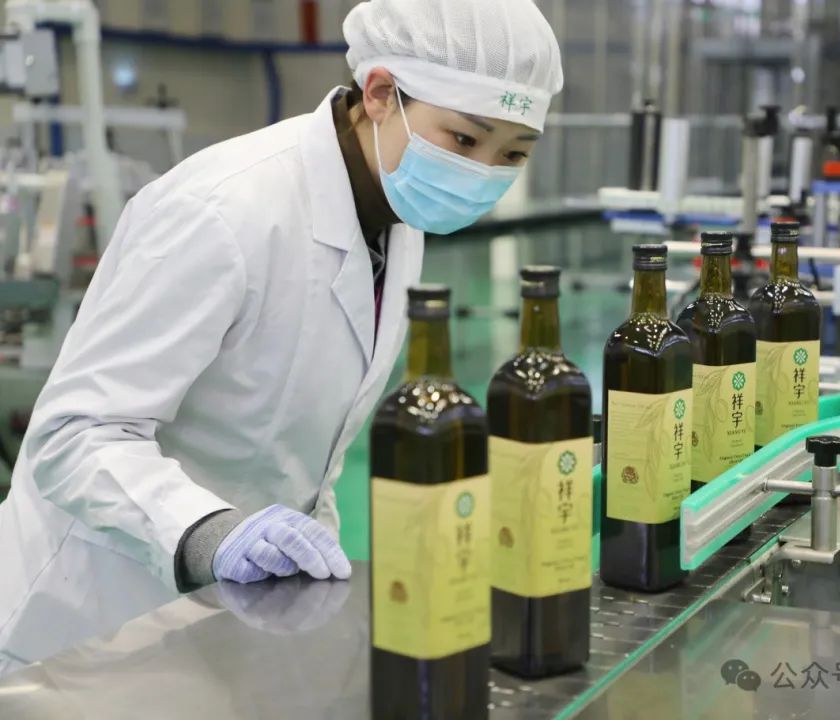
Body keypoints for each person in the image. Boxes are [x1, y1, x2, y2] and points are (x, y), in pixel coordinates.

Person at [0, 0, 563, 673]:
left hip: (228, 617)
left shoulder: (395, 212)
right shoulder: (222, 210)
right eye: (465, 140)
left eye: (513, 153)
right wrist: (214, 533)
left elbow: (308, 447)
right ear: (380, 93)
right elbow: (72, 436)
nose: (483, 172)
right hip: (83, 624)